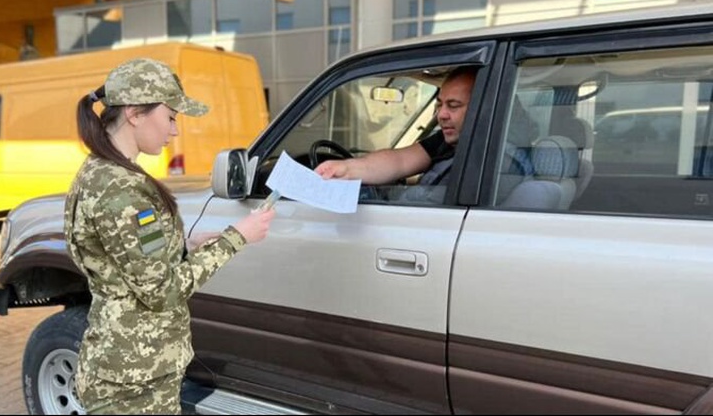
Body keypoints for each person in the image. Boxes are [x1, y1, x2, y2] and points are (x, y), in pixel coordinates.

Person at [64, 58, 275, 414]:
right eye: (171, 116)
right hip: (134, 380)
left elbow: (122, 260)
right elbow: (162, 292)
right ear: (134, 113)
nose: (174, 130)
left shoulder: (104, 172)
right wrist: (237, 237)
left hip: (134, 368)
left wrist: (184, 246)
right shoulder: (121, 190)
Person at [315, 66, 534, 204]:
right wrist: (347, 169)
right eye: (439, 105)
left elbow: (426, 212)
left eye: (453, 105)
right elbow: (400, 160)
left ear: (484, 108)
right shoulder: (459, 138)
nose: (442, 115)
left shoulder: (492, 162)